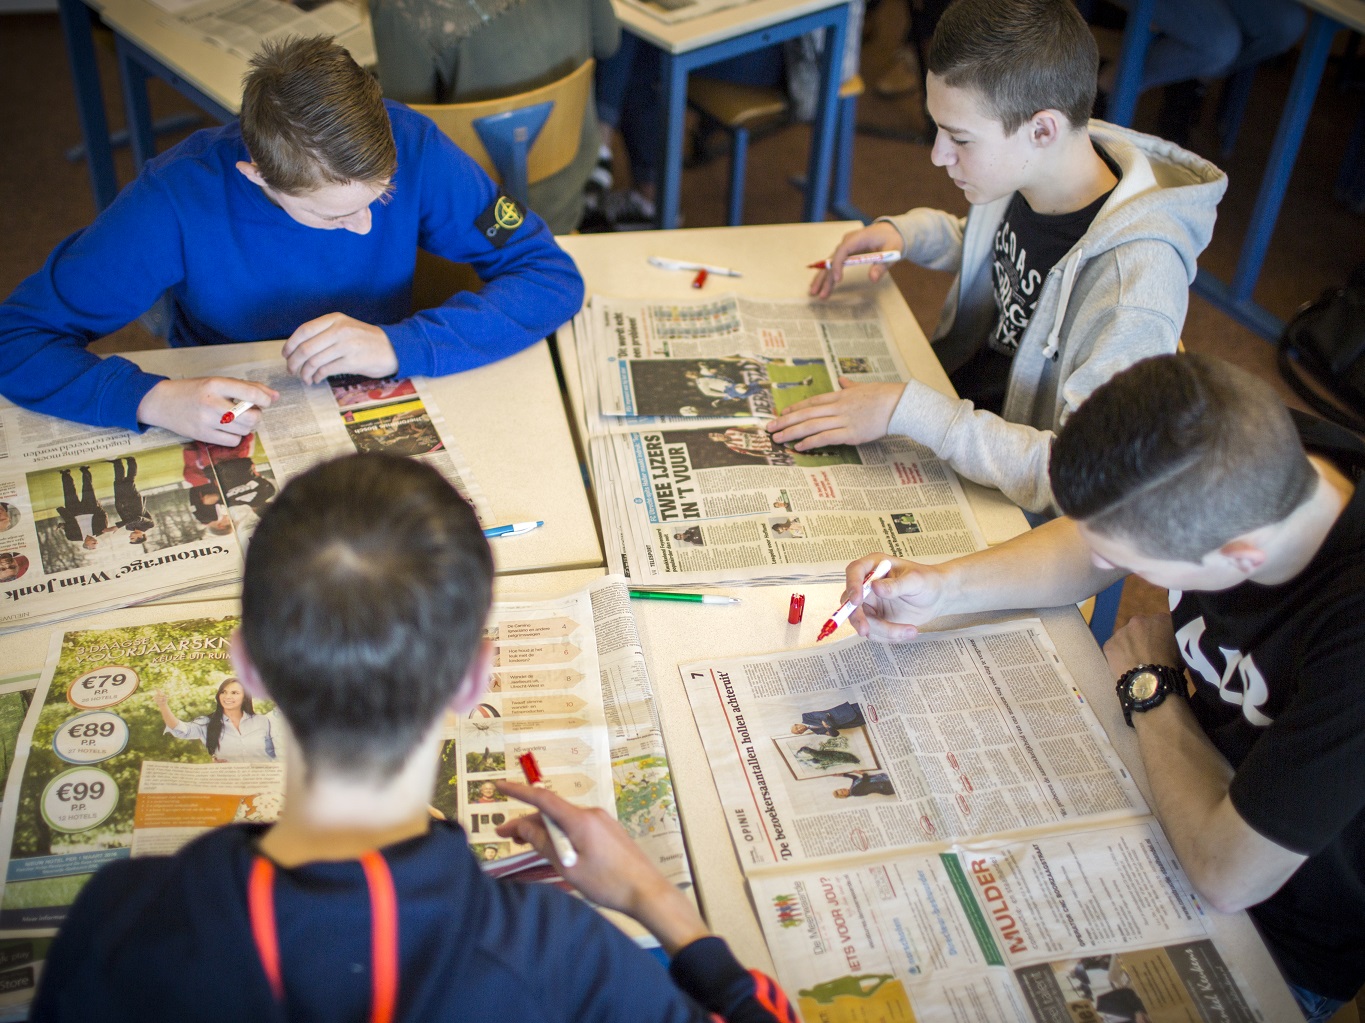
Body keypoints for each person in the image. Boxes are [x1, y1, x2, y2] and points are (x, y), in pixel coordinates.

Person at [33, 453, 801, 1022]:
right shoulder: (562, 957)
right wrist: (651, 896)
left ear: (248, 667)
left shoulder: (119, 920)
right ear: (475, 680)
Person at [835, 354, 1365, 1022]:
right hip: (1174, 775)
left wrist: (1152, 687)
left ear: (1240, 559)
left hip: (1279, 928)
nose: (1104, 566)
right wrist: (943, 587)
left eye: (1125, 563)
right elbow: (1091, 540)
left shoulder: (1349, 636)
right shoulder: (1249, 444)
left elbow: (1227, 874)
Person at [0, 36, 583, 446]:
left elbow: (549, 274)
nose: (364, 229)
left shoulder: (415, 144)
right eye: (332, 216)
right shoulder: (174, 200)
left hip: (376, 385)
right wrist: (151, 399)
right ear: (258, 177)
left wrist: (400, 345)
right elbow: (17, 338)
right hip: (231, 401)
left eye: (380, 199)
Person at [767, 0, 1227, 513]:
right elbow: (999, 252)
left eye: (960, 138)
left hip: (1015, 488)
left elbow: (1083, 472)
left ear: (1043, 129)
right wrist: (908, 234)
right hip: (961, 417)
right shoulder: (1038, 170)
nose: (939, 155)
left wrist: (911, 412)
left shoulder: (1133, 284)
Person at [369, 0, 620, 234]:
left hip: (477, 222)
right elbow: (608, 42)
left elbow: (405, 128)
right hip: (567, 189)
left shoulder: (400, 8)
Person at [154, 678, 278, 763]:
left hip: (262, 784)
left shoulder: (262, 721)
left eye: (234, 693)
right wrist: (163, 705)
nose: (227, 696)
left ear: (245, 697)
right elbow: (181, 730)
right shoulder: (206, 723)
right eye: (223, 692)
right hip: (229, 785)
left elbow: (273, 753)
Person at [55, 466, 112, 550]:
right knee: (88, 487)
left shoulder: (72, 537)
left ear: (86, 544)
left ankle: (65, 473)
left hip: (73, 511)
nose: (95, 541)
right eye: (96, 542)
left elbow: (67, 526)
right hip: (90, 508)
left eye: (93, 543)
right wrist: (97, 508)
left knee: (69, 491)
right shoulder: (100, 531)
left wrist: (61, 526)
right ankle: (85, 470)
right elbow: (104, 516)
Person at [109, 457, 154, 544]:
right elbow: (138, 518)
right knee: (129, 480)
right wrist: (118, 526)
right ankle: (131, 460)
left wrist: (118, 505)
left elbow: (123, 516)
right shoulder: (149, 525)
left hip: (121, 502)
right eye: (132, 538)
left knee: (118, 482)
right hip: (134, 500)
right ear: (140, 536)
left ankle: (117, 463)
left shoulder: (128, 528)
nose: (130, 536)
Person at [791, 701, 865, 736]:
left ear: (797, 724)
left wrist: (825, 722)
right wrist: (828, 727)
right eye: (799, 732)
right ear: (802, 733)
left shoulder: (806, 717)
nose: (800, 729)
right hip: (851, 722)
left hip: (847, 711)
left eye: (797, 728)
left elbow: (822, 715)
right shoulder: (817, 732)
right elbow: (835, 734)